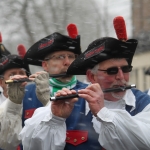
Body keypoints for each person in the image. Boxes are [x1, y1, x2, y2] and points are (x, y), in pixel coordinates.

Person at [19, 37, 150, 150]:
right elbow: (32, 145)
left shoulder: (144, 103)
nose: (121, 77)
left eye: (126, 69)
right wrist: (55, 119)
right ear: (92, 77)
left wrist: (103, 113)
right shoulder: (70, 101)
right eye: (112, 71)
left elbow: (144, 141)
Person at [3, 25, 87, 150]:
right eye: (60, 57)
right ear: (45, 65)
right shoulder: (25, 91)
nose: (67, 62)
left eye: (71, 56)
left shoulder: (88, 93)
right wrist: (12, 105)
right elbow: (7, 142)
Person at [0, 54, 30, 150]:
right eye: (12, 74)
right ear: (1, 82)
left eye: (21, 73)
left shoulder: (37, 98)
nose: (18, 77)